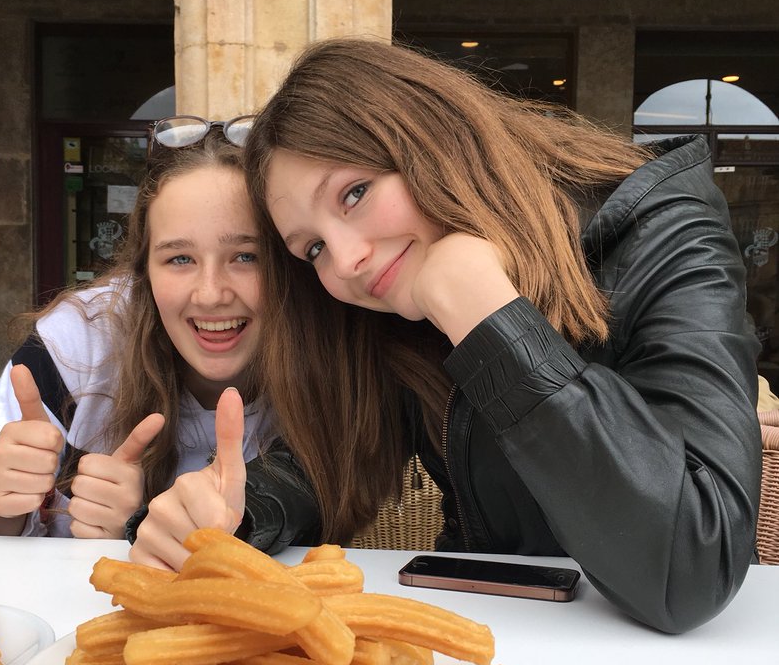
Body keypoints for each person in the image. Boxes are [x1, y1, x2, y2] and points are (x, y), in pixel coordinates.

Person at [243, 37, 762, 634]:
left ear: (438, 143)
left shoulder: (668, 234)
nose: (346, 260)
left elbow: (695, 562)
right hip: (488, 632)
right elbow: (336, 455)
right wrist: (242, 510)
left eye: (355, 193)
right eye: (312, 248)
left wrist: (493, 320)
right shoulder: (397, 307)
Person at [0, 120, 321, 562]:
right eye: (179, 258)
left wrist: (135, 529)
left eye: (247, 256)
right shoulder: (73, 346)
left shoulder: (331, 359)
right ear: (143, 269)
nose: (210, 293)